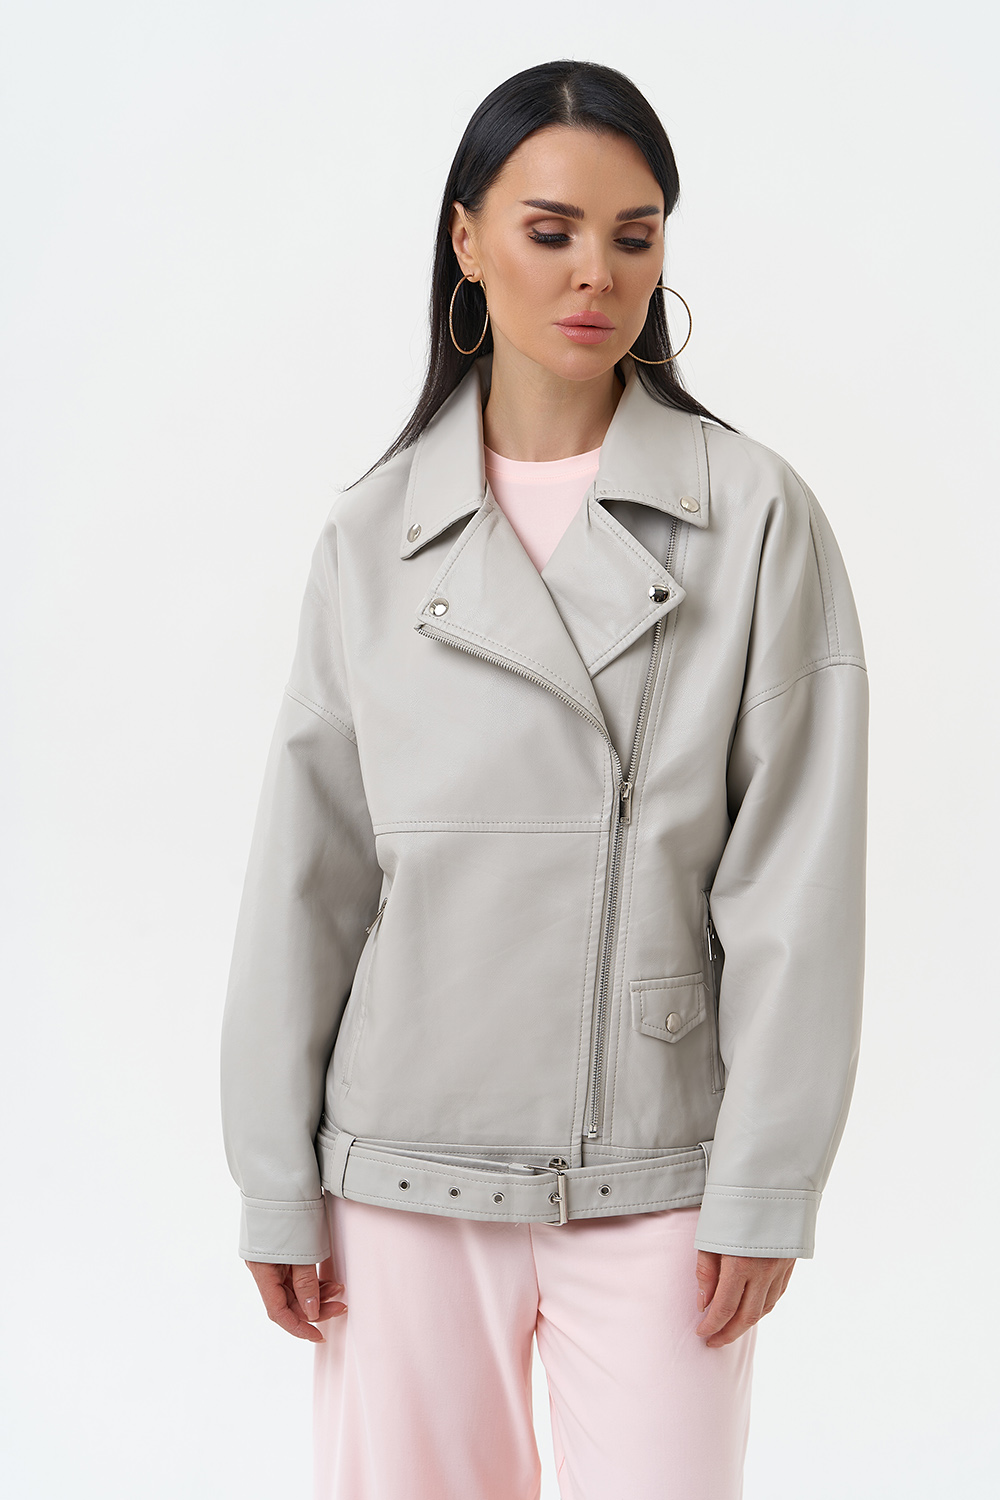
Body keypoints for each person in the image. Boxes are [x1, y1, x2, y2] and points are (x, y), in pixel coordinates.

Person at [220, 58, 868, 1500]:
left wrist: (768, 1178)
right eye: (551, 229)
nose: (597, 273)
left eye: (635, 236)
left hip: (658, 1168)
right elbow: (309, 876)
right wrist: (274, 1173)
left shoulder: (754, 514)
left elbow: (796, 883)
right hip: (401, 1163)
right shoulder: (372, 535)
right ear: (467, 241)